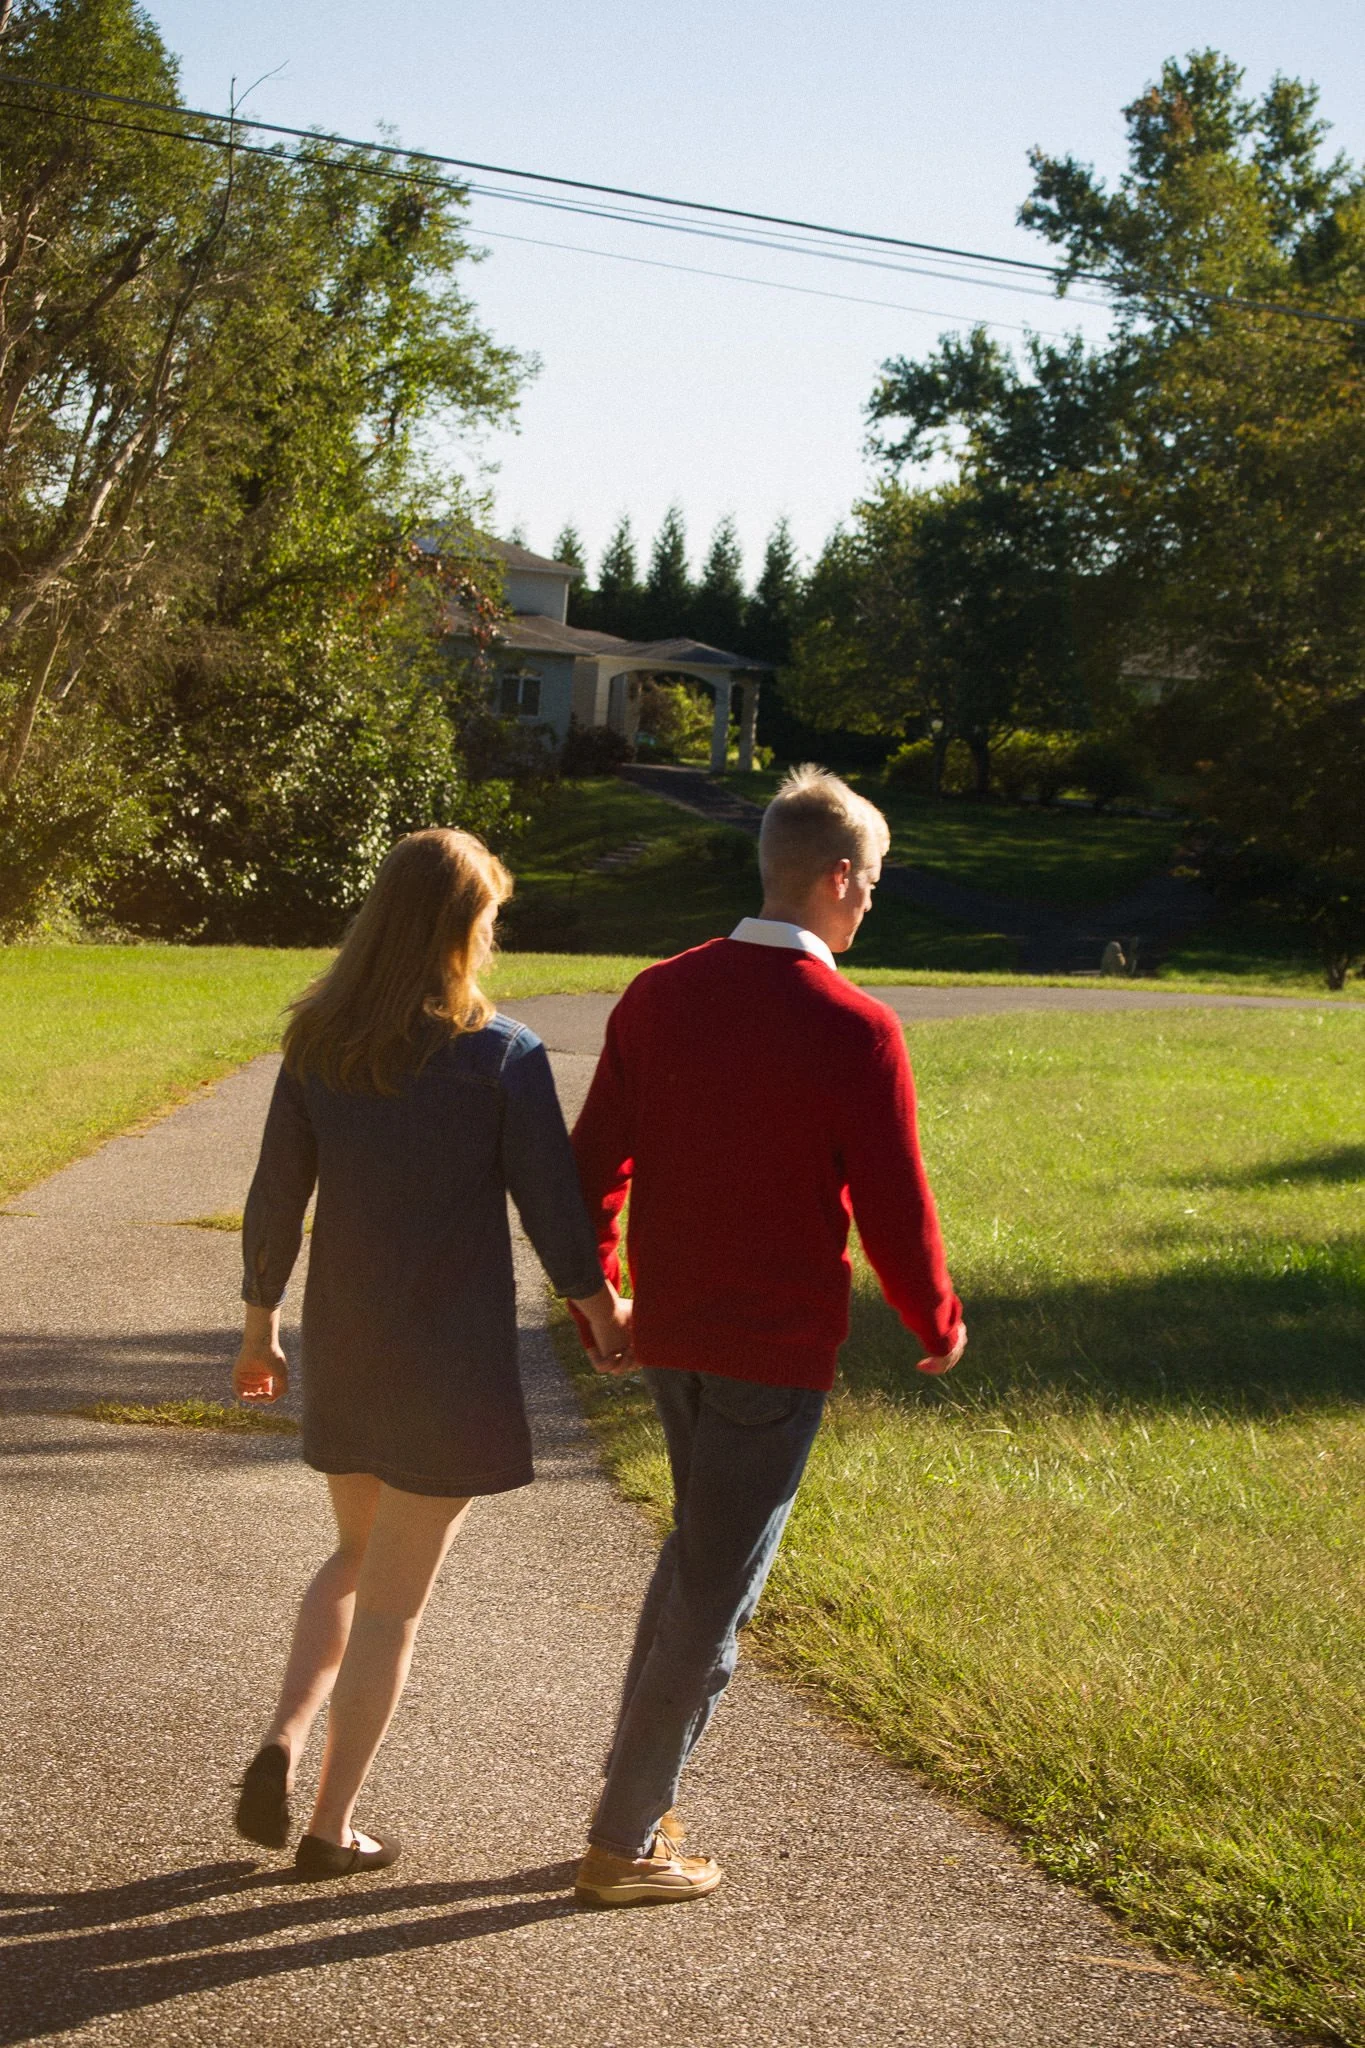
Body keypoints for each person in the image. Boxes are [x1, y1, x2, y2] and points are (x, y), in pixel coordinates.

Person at [569, 765, 965, 1907]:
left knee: (695, 1562)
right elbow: (894, 1200)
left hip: (673, 1334)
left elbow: (591, 1163)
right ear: (837, 878)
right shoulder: (855, 1026)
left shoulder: (661, 993)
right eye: (873, 883)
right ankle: (622, 1837)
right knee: (716, 1596)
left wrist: (601, 1290)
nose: (872, 903)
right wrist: (933, 1317)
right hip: (769, 1352)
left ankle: (633, 1803)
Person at [231, 827, 630, 1881]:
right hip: (448, 1364)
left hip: (349, 1345)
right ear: (462, 929)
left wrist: (258, 1321)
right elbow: (554, 1207)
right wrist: (601, 1309)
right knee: (395, 1604)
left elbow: (278, 1191)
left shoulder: (320, 1040)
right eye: (489, 917)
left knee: (355, 1560)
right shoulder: (502, 1056)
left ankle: (282, 1734)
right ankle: (331, 1828)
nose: (494, 935)